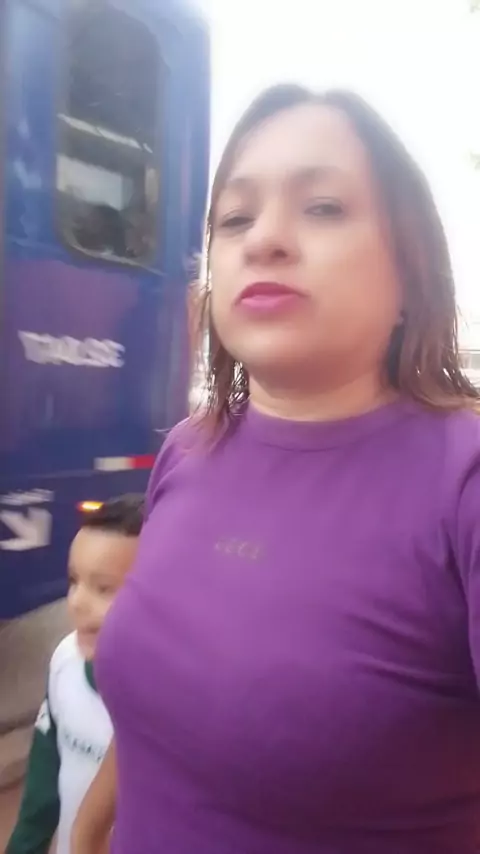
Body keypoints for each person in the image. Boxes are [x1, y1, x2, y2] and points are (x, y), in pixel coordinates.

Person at [73, 84, 480, 854]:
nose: (264, 239)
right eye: (235, 218)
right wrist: (84, 834)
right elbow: (157, 718)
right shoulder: (187, 450)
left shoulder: (463, 481)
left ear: (412, 270)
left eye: (322, 207)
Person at [6, 495, 144, 854]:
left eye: (104, 588)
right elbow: (41, 790)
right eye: (73, 580)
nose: (77, 602)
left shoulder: (187, 705)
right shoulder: (66, 661)